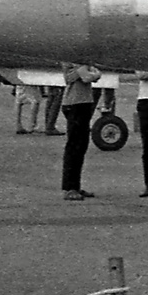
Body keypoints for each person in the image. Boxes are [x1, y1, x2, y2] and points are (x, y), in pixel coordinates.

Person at [60, 63, 102, 200]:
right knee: (74, 146)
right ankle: (69, 187)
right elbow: (87, 77)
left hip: (83, 102)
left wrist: (92, 74)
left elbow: (91, 76)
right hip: (75, 103)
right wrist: (93, 73)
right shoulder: (72, 61)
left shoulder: (80, 63)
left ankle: (75, 185)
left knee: (81, 145)